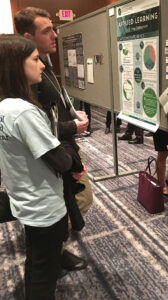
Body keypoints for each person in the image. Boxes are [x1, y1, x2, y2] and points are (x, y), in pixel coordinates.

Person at [0, 34, 84, 300]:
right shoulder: (23, 112)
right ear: (15, 66)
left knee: (36, 260)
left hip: (26, 200)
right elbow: (61, 160)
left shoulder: (4, 107)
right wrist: (71, 146)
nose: (43, 66)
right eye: (35, 59)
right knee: (43, 271)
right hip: (44, 206)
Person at [14, 7, 93, 271]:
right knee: (76, 200)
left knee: (71, 199)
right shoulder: (29, 76)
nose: (55, 34)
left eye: (53, 28)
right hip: (52, 149)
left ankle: (53, 248)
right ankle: (52, 249)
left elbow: (54, 107)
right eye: (46, 30)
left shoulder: (45, 64)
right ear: (28, 36)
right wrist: (71, 126)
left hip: (61, 144)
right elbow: (37, 124)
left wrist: (71, 115)